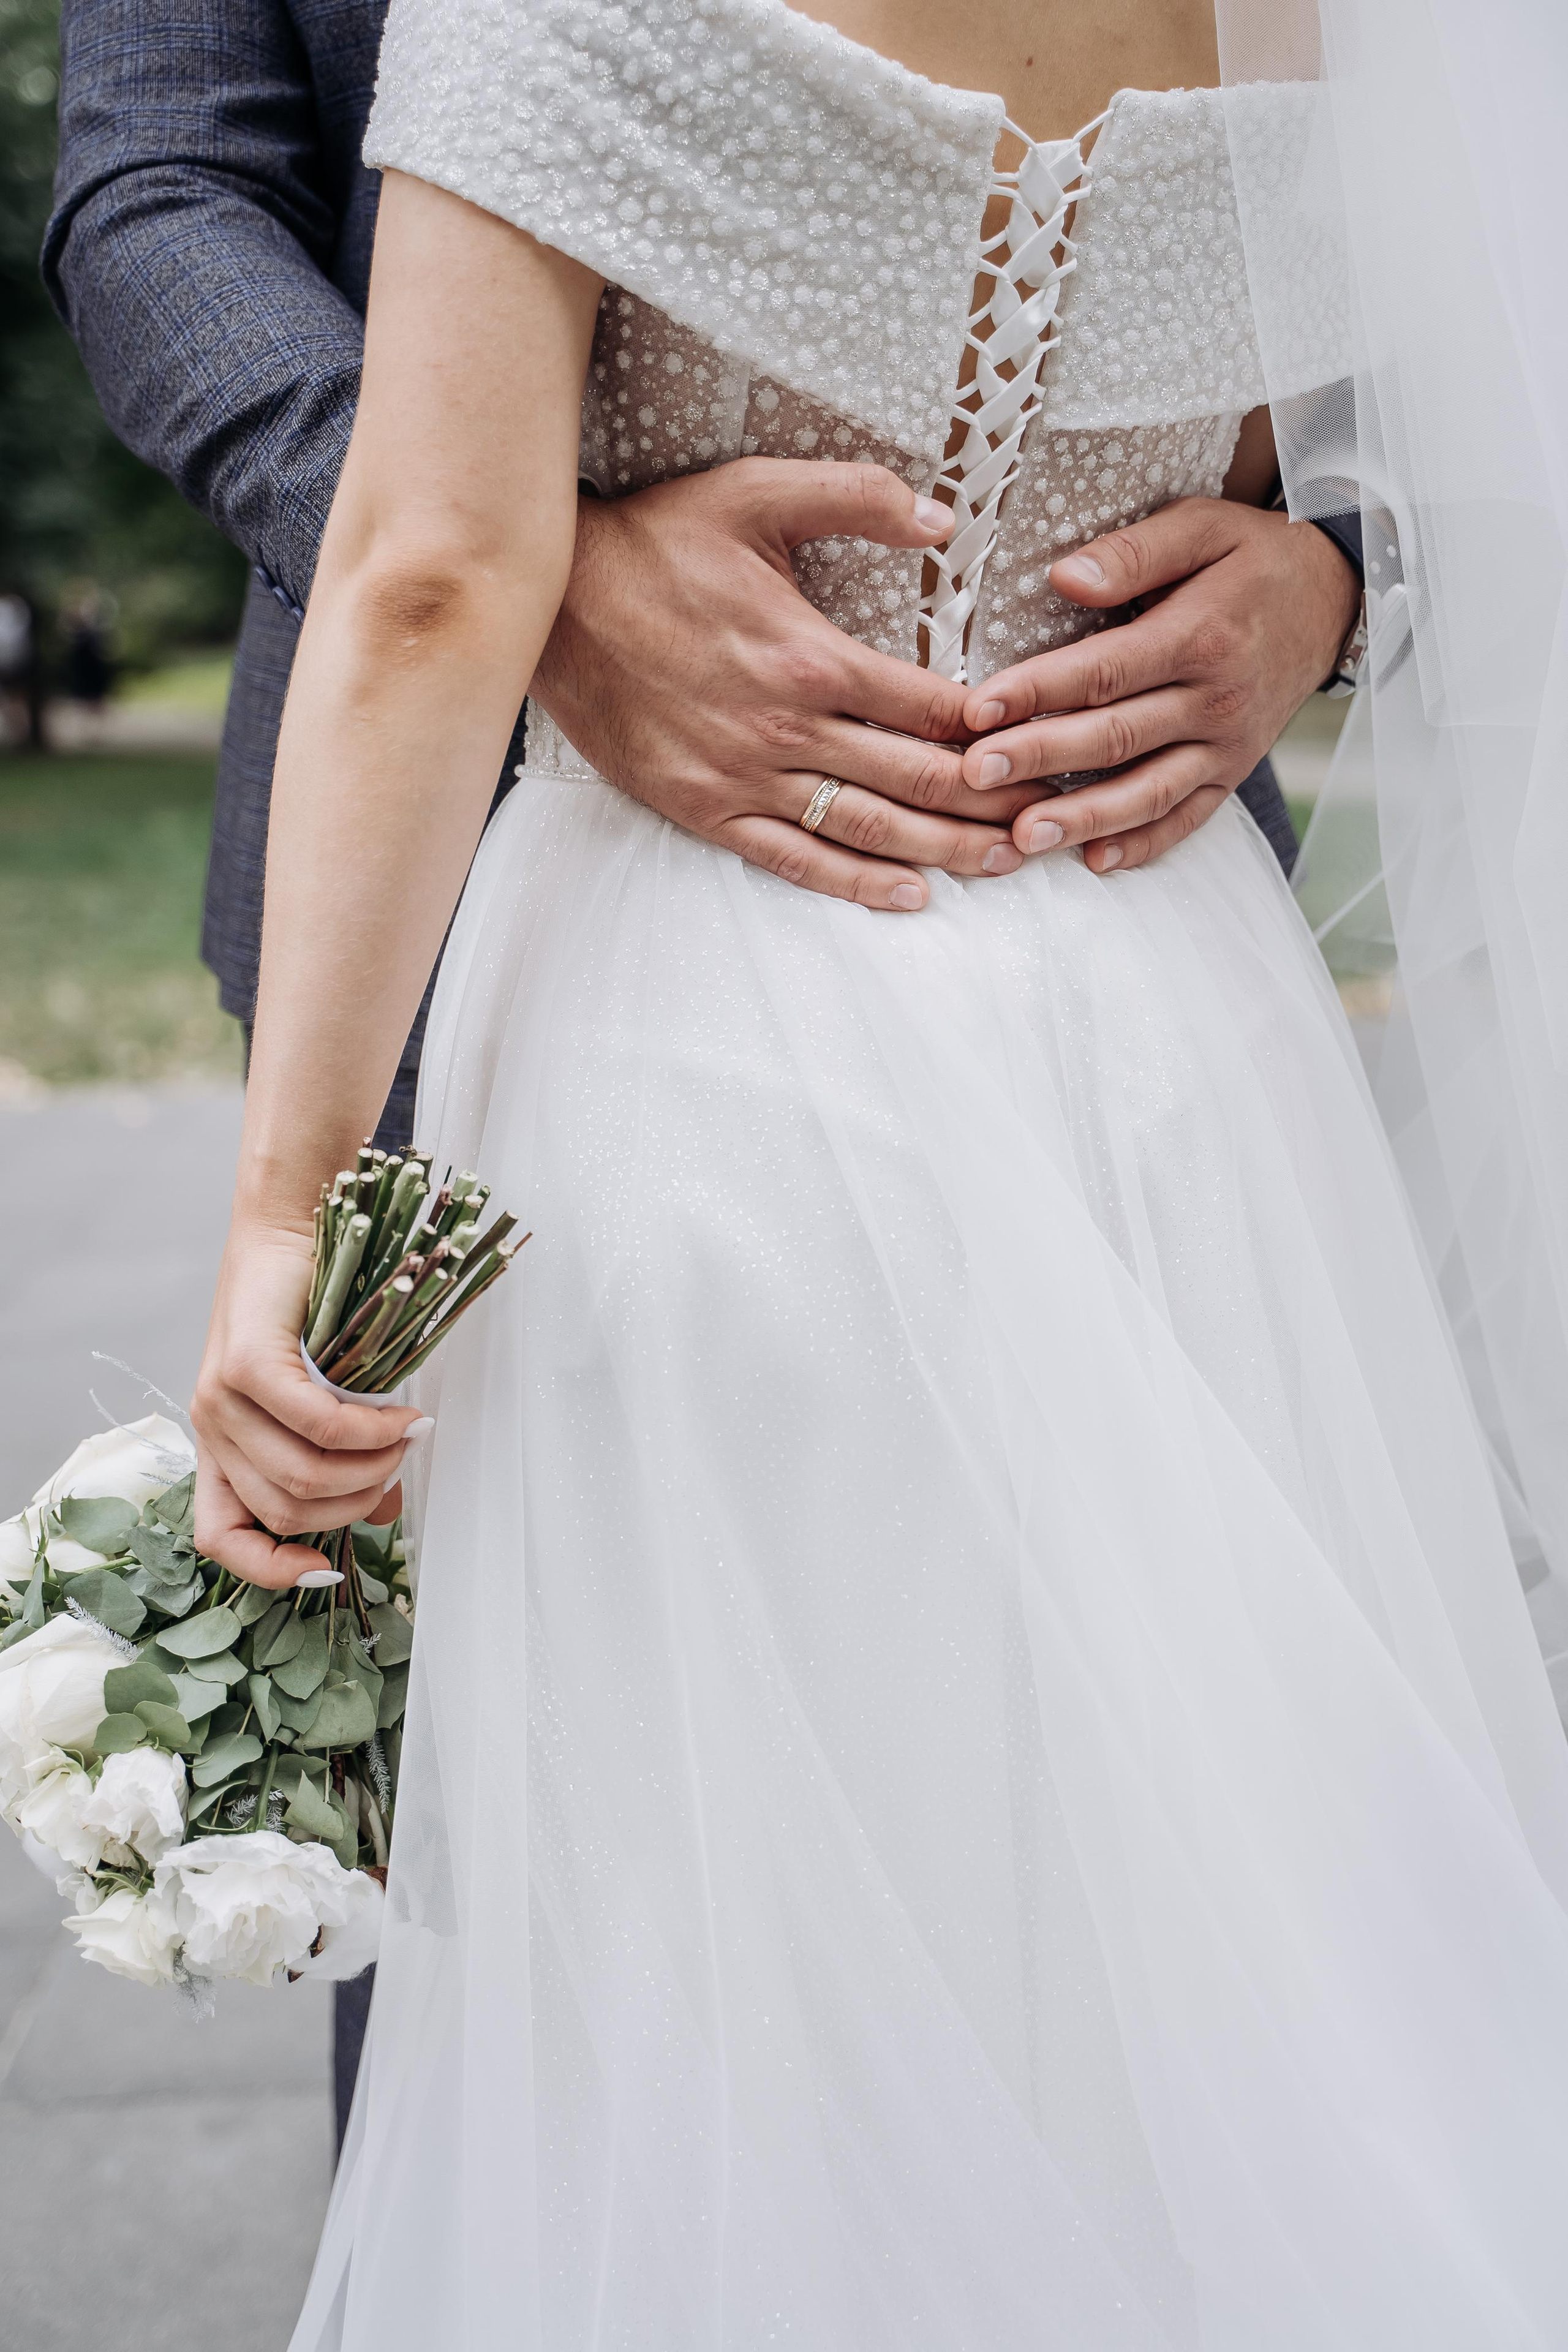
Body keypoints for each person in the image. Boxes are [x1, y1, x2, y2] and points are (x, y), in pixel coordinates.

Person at [186, 0, 1568, 2337]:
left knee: (720, 1965)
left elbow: (428, 581)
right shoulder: (1368, 25)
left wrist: (287, 1207)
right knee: (1166, 1901)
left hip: (710, 1043)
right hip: (1165, 1013)